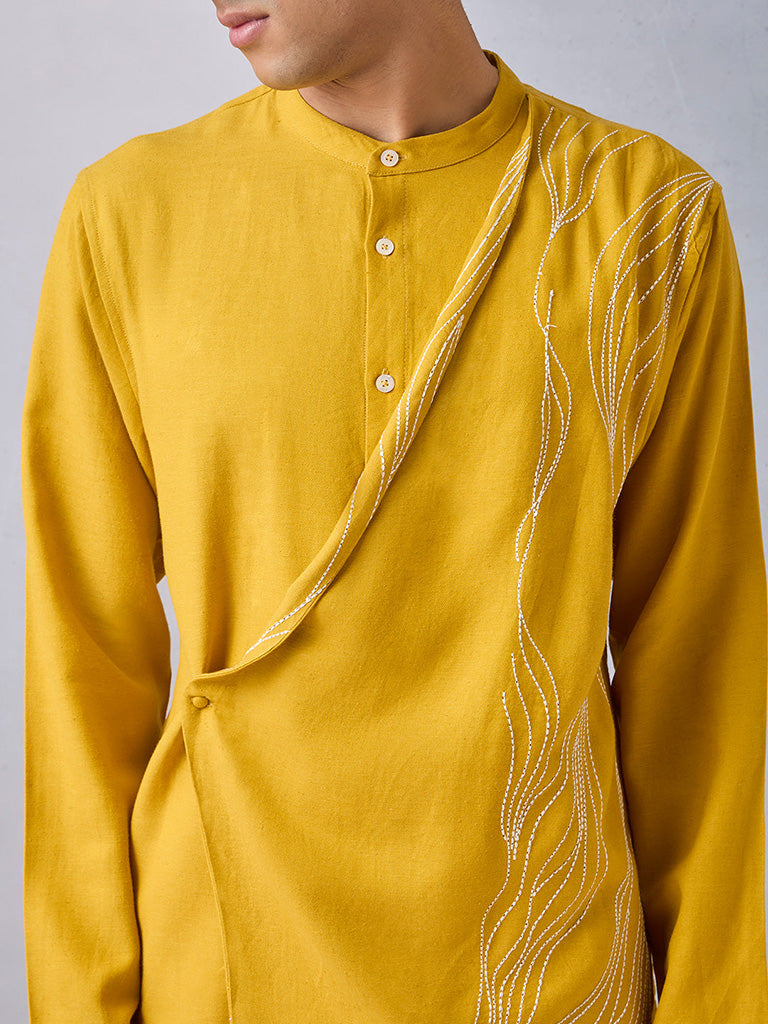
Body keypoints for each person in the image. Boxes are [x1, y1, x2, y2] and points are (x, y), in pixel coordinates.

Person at [21, 0, 768, 1021]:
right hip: (226, 973)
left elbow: (701, 664)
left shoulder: (647, 214)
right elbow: (82, 663)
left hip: (543, 983)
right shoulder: (128, 213)